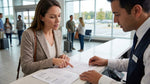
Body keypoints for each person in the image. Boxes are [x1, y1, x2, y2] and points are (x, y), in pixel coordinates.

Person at [80, 0, 150, 84]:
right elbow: (135, 63)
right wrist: (106, 61)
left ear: (136, 11)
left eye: (117, 14)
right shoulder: (141, 33)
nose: (115, 20)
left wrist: (100, 79)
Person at [20, 0, 73, 76]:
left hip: (53, 77)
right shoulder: (29, 34)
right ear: (41, 17)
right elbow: (26, 67)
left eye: (59, 15)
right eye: (52, 17)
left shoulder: (58, 33)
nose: (58, 20)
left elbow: (55, 56)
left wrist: (61, 57)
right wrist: (52, 61)